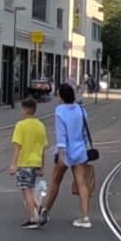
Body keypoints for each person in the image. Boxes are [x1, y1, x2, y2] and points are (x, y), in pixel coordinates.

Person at [34, 82, 98, 229]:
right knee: (82, 184)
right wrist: (84, 147)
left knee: (55, 181)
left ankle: (46, 211)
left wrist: (61, 154)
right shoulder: (81, 110)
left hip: (66, 152)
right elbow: (84, 133)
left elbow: (61, 134)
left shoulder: (60, 111)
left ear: (61, 96)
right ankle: (85, 217)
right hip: (80, 151)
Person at [9, 98, 50, 226]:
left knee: (26, 190)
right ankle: (40, 208)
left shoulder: (20, 125)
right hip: (36, 162)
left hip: (24, 163)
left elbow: (17, 147)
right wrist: (42, 167)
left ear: (26, 110)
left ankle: (33, 217)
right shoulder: (40, 126)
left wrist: (13, 164)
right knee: (31, 189)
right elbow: (43, 149)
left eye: (22, 109)